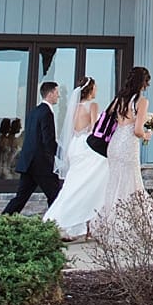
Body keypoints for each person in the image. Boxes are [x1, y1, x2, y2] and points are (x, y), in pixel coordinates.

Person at [90, 65, 153, 236]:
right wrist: (147, 135)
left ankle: (108, 225)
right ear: (143, 83)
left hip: (114, 143)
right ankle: (129, 226)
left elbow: (109, 118)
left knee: (115, 183)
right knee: (132, 183)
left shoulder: (119, 99)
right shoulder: (141, 101)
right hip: (128, 144)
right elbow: (137, 130)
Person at [44, 78, 106, 239]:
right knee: (93, 182)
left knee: (74, 184)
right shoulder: (93, 106)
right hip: (86, 146)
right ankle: (87, 222)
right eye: (95, 88)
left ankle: (67, 222)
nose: (96, 91)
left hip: (74, 146)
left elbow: (71, 130)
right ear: (90, 90)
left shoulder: (74, 107)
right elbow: (95, 129)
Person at [2, 82, 62, 215]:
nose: (59, 96)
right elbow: (48, 140)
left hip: (28, 162)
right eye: (57, 93)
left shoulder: (33, 112)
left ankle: (3, 220)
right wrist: (62, 155)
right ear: (50, 94)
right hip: (41, 164)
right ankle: (53, 224)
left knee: (21, 198)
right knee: (56, 195)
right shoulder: (47, 113)